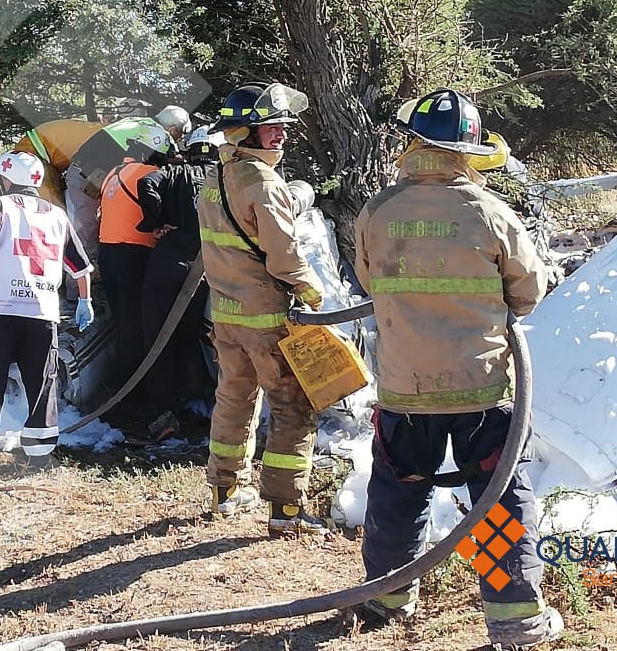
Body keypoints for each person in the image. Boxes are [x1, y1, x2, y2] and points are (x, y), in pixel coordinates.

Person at [351, 89, 561, 649]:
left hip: (404, 390)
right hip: (482, 388)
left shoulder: (377, 211)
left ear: (413, 144)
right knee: (495, 497)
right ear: (469, 150)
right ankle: (515, 616)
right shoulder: (492, 212)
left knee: (399, 490)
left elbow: (370, 284)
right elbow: (529, 291)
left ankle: (386, 599)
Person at [198, 82, 327, 536]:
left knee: (234, 397)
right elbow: (284, 255)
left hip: (227, 316)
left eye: (282, 127)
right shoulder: (266, 184)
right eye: (270, 128)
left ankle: (224, 490)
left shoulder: (215, 179)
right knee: (293, 405)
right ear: (245, 133)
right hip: (267, 317)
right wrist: (310, 290)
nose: (281, 135)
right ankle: (286, 509)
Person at [0, 151, 93, 466]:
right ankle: (40, 453)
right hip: (42, 312)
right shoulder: (57, 215)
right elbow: (80, 267)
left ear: (7, 180)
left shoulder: (0, 207)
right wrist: (84, 301)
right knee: (42, 382)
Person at [133, 124, 222, 440]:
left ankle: (163, 413)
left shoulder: (175, 173)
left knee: (157, 340)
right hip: (203, 272)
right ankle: (194, 403)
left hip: (167, 266)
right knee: (188, 336)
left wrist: (155, 222)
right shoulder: (224, 179)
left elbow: (146, 183)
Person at [95, 124, 173, 425]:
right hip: (134, 255)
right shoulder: (147, 175)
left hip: (110, 254)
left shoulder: (114, 173)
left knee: (122, 325)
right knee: (136, 329)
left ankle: (119, 391)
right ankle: (129, 398)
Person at [64, 116, 172, 268]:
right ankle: (79, 285)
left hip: (86, 172)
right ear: (172, 129)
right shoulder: (157, 134)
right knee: (85, 233)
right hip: (87, 178)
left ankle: (89, 277)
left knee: (91, 230)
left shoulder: (141, 122)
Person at [12, 118, 103, 207]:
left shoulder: (105, 131)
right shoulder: (110, 142)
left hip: (38, 147)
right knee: (51, 208)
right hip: (35, 152)